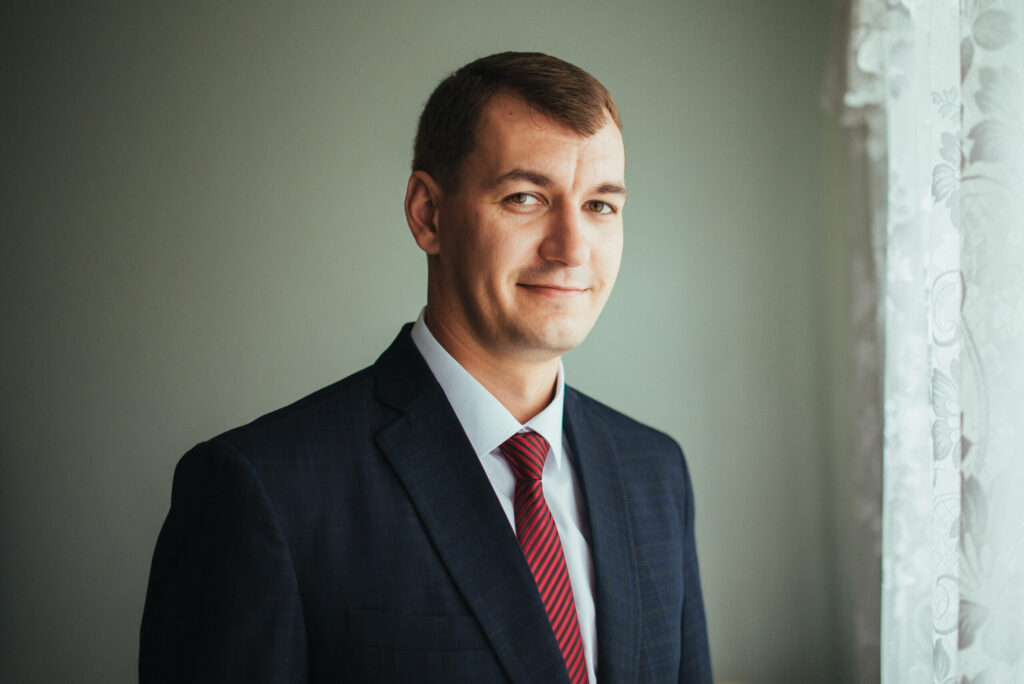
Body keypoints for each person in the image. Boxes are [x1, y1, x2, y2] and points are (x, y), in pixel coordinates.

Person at [140, 51, 712, 683]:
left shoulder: (657, 473)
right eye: (525, 197)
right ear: (427, 213)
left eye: (600, 205)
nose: (571, 248)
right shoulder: (261, 491)